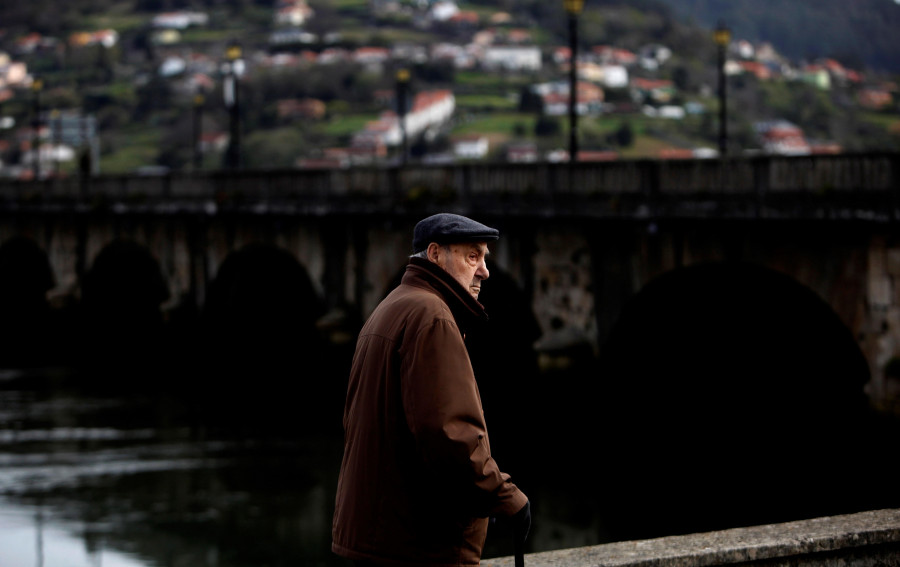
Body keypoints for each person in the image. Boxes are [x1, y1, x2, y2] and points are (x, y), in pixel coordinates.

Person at [332, 213, 531, 566]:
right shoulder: (432, 317)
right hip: (418, 545)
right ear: (436, 254)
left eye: (484, 257)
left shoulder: (391, 306)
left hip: (378, 536)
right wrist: (507, 497)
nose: (484, 270)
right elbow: (448, 432)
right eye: (473, 256)